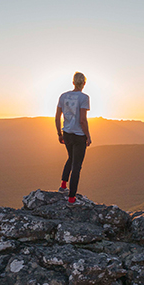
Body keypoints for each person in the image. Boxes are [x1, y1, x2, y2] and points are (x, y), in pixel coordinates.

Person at [55, 72, 91, 204]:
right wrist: (88, 136)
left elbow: (57, 116)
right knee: (77, 166)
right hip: (78, 136)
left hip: (67, 134)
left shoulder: (63, 96)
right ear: (84, 83)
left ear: (73, 82)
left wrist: (59, 133)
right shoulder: (84, 97)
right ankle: (71, 198)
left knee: (71, 158)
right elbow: (82, 120)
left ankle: (63, 185)